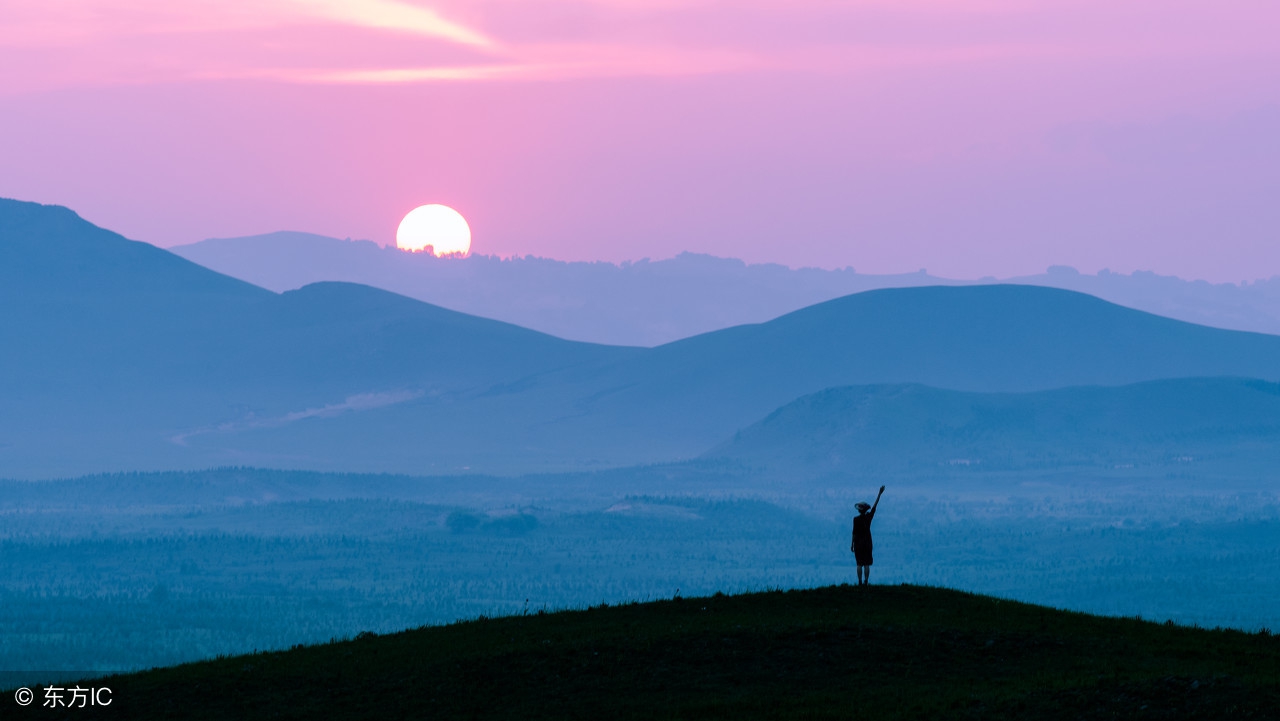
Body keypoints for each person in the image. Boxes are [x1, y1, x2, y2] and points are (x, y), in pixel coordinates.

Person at [850, 485, 885, 586]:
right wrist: (879, 494)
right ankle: (866, 581)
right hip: (867, 543)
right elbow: (874, 507)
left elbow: (854, 532)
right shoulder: (868, 517)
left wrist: (852, 544)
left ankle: (860, 582)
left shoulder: (855, 519)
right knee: (866, 563)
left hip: (858, 543)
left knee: (859, 564)